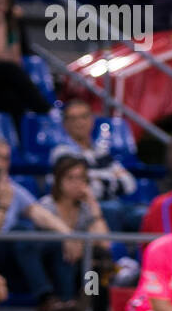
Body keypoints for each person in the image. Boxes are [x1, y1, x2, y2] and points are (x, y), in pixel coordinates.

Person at [49, 98, 136, 230]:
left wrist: (95, 179)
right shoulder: (61, 153)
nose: (79, 123)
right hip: (82, 207)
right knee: (113, 209)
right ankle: (110, 250)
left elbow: (130, 183)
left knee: (142, 213)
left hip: (113, 203)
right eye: (73, 118)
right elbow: (80, 188)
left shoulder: (101, 152)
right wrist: (112, 178)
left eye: (84, 117)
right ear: (65, 124)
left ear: (92, 120)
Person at [36, 154, 108, 305]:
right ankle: (73, 303)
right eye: (70, 178)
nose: (77, 183)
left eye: (81, 178)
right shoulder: (47, 206)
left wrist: (92, 203)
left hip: (81, 268)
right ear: (58, 180)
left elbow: (104, 241)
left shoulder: (84, 208)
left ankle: (89, 300)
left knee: (99, 257)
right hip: (53, 265)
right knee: (68, 254)